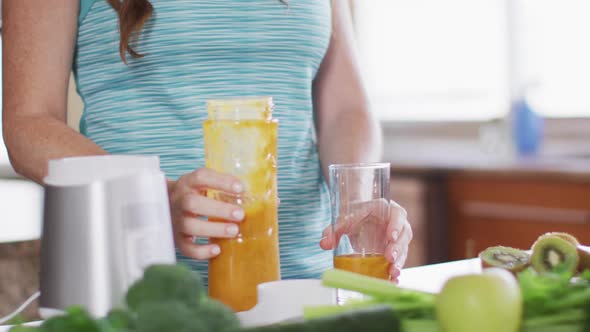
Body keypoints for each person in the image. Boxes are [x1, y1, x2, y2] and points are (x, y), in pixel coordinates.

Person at [2, 0, 412, 283]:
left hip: (304, 287)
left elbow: (344, 108)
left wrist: (356, 201)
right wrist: (154, 196)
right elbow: (28, 123)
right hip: (139, 290)